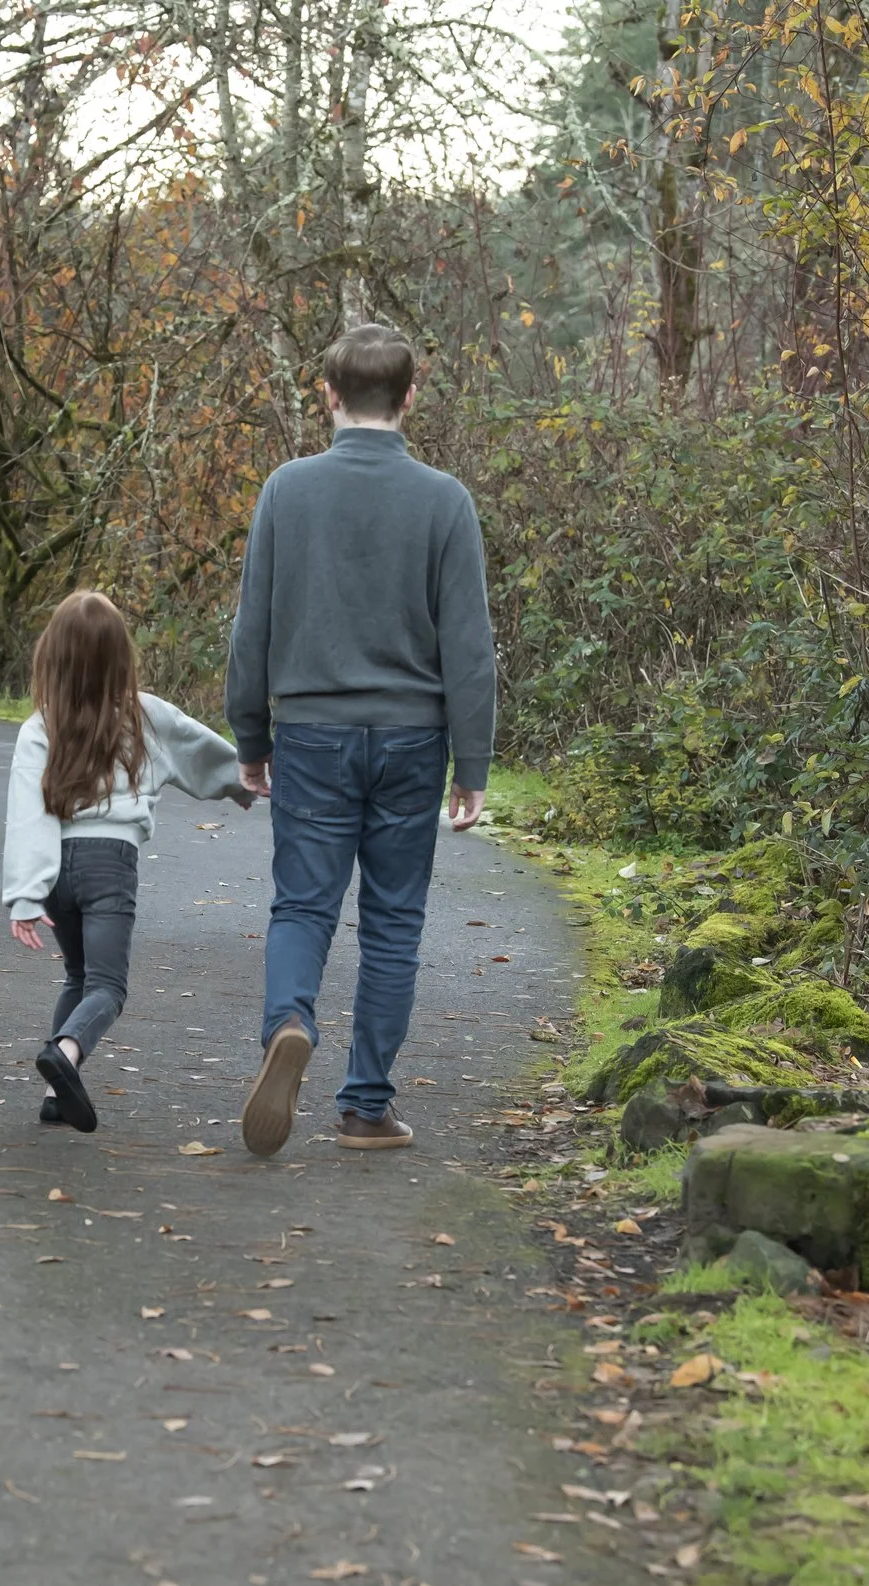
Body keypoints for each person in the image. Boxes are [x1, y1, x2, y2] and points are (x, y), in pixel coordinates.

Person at [224, 322, 495, 1157]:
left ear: (329, 396)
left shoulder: (287, 491)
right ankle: (366, 1107)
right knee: (393, 923)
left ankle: (289, 1021)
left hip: (311, 731)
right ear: (411, 398)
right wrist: (472, 760)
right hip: (413, 740)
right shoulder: (445, 499)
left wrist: (250, 735)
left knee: (303, 903)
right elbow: (470, 646)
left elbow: (253, 629)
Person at [3, 592, 253, 1132]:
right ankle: (64, 1053)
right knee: (108, 987)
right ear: (121, 656)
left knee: (78, 973)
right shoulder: (144, 716)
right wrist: (246, 781)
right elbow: (203, 753)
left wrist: (27, 892)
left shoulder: (39, 727)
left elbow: (27, 814)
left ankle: (55, 1092)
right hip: (109, 863)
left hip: (57, 873)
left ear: (53, 657)